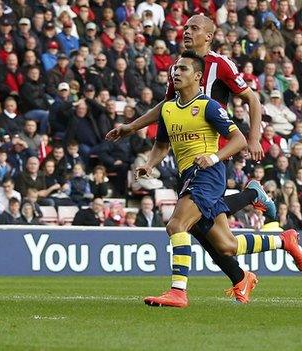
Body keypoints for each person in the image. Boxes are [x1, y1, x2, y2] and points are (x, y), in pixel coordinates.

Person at [105, 14, 278, 303]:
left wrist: (254, 138)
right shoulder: (180, 69)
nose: (187, 32)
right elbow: (167, 106)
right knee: (220, 240)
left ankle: (180, 291)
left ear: (209, 36)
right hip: (188, 158)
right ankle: (262, 236)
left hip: (214, 152)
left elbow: (252, 99)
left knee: (180, 224)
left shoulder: (219, 65)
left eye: (194, 28)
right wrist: (133, 127)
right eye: (185, 28)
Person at [137, 51, 302, 308]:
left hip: (208, 175)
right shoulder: (168, 109)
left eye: (183, 69)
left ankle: (178, 291)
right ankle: (284, 240)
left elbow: (239, 140)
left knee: (176, 225)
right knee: (227, 246)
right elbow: (161, 145)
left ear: (198, 76)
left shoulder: (208, 106)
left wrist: (213, 158)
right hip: (188, 176)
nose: (176, 73)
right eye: (175, 69)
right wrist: (149, 164)